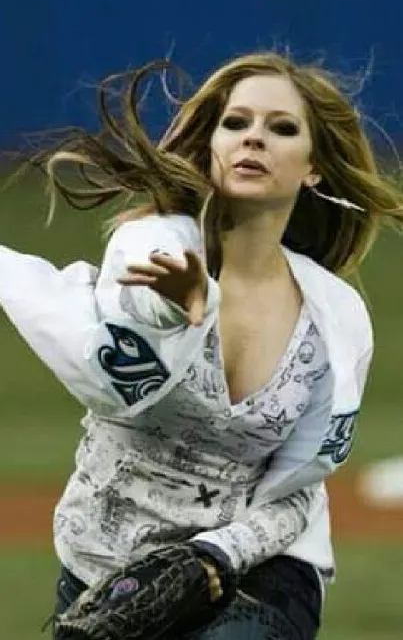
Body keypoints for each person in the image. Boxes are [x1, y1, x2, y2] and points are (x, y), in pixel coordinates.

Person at [1, 50, 403, 640]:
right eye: (236, 123)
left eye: (282, 128)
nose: (254, 139)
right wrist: (176, 308)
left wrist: (214, 555)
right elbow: (127, 333)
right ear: (211, 144)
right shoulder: (154, 245)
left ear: (313, 167)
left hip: (257, 569)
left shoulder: (336, 319)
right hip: (108, 572)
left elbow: (297, 493)